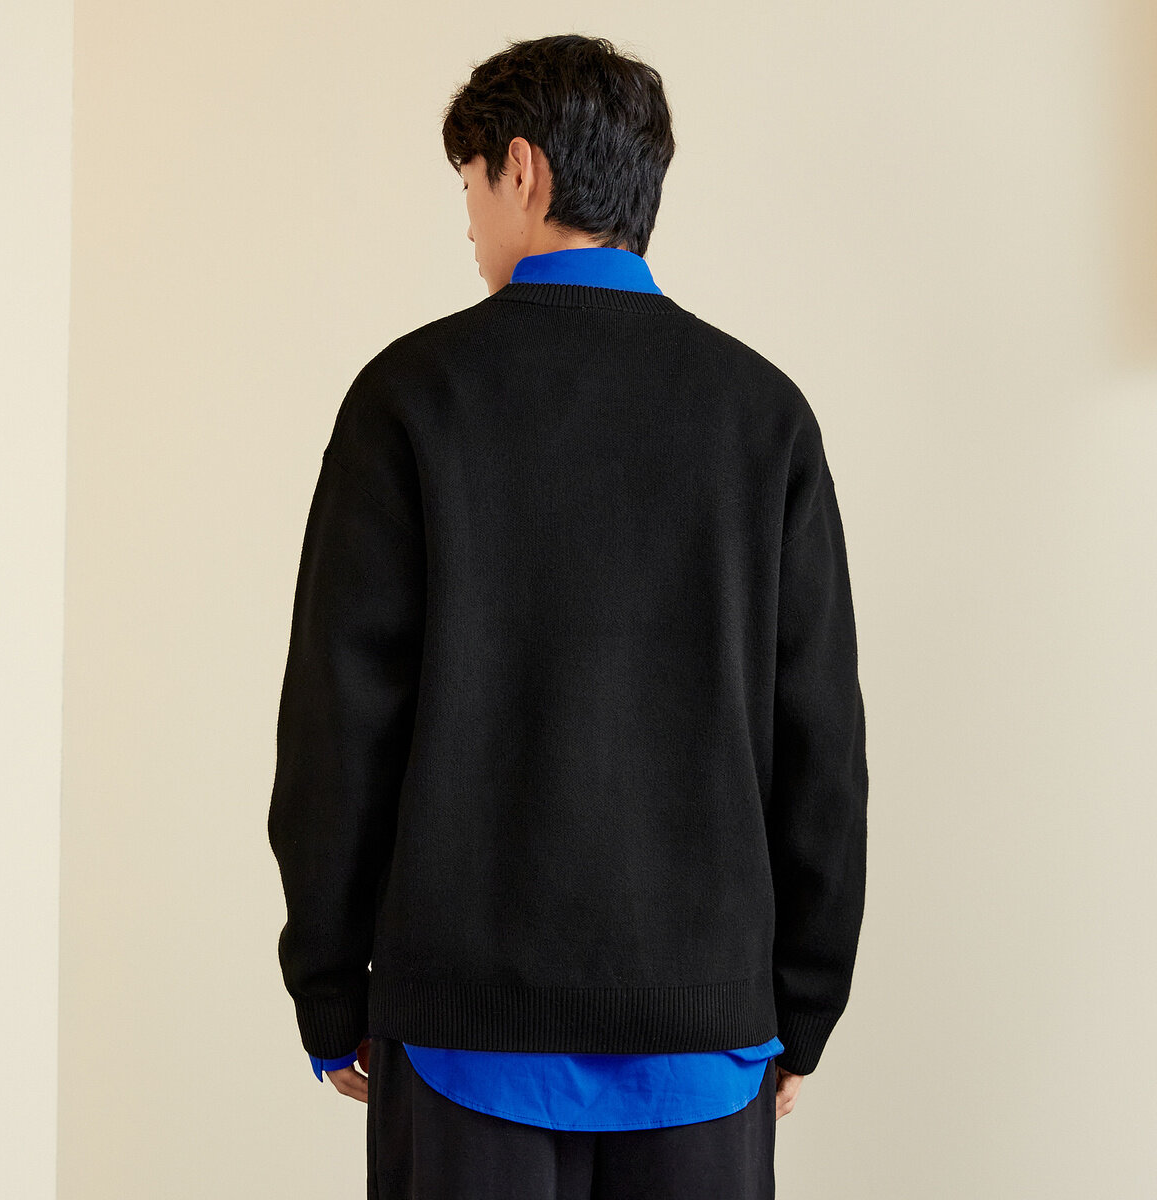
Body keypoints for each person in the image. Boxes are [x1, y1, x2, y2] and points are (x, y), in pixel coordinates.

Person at [268, 32, 868, 1200]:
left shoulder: (410, 397)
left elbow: (339, 724)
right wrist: (803, 1004)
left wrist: (329, 988)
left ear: (522, 168)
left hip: (462, 1039)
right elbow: (821, 745)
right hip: (705, 1037)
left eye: (468, 185)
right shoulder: (763, 416)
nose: (469, 223)